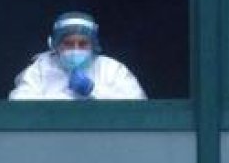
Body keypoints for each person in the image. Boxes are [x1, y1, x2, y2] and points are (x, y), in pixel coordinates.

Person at [9, 11, 147, 100]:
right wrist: (65, 97)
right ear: (55, 45)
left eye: (82, 44)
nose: (75, 49)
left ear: (93, 45)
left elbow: (137, 103)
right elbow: (18, 102)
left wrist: (93, 93)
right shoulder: (41, 68)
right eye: (68, 44)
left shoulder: (111, 69)